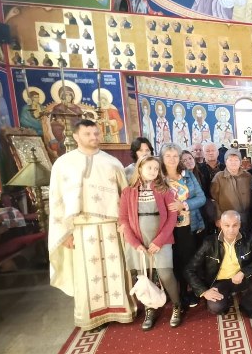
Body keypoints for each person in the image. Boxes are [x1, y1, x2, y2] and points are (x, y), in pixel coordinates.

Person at [49, 120, 133, 331]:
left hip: (111, 226)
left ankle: (119, 311)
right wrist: (65, 233)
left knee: (115, 270)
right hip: (81, 229)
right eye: (88, 134)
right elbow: (56, 200)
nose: (94, 137)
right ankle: (92, 317)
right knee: (88, 275)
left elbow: (125, 197)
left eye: (96, 133)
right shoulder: (63, 164)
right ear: (76, 136)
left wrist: (125, 224)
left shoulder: (112, 162)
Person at [120, 156, 180, 330]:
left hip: (161, 238)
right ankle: (149, 307)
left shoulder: (165, 190)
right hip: (137, 240)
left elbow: (172, 218)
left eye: (156, 168)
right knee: (143, 275)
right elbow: (123, 219)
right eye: (149, 168)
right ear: (139, 169)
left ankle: (177, 305)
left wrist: (159, 241)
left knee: (165, 274)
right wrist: (135, 243)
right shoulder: (128, 192)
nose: (153, 171)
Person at [185, 210, 252, 319]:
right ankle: (226, 300)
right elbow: (189, 269)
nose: (231, 230)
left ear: (240, 225)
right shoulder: (209, 242)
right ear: (220, 224)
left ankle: (246, 304)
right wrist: (204, 291)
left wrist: (243, 272)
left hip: (241, 278)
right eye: (227, 225)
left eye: (235, 225)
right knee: (215, 307)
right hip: (220, 282)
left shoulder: (248, 238)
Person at [161, 144, 205, 310]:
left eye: (175, 156)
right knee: (172, 261)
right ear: (162, 158)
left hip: (188, 224)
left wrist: (184, 205)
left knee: (188, 259)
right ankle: (176, 294)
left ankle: (188, 291)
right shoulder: (158, 177)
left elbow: (201, 198)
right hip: (166, 226)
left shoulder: (188, 175)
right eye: (168, 156)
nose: (172, 159)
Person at [210, 148, 252, 232]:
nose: (233, 162)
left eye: (236, 160)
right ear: (225, 162)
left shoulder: (248, 176)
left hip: (246, 218)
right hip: (227, 220)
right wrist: (218, 217)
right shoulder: (219, 177)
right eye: (230, 160)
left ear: (240, 162)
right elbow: (214, 200)